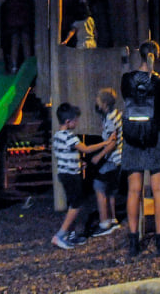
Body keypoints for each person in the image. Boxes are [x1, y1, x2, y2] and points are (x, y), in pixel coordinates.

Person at [120, 40, 160, 257]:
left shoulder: (127, 80)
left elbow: (127, 100)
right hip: (156, 136)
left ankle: (134, 242)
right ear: (156, 56)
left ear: (140, 56)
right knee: (159, 190)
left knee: (134, 191)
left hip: (133, 136)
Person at [51, 102, 114, 249]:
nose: (77, 123)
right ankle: (60, 235)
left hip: (64, 174)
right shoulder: (69, 137)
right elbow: (86, 149)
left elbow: (64, 154)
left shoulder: (57, 136)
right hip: (71, 176)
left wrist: (78, 163)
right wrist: (106, 143)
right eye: (75, 120)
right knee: (76, 205)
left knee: (73, 204)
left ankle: (71, 234)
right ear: (68, 121)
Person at [90, 87, 123, 237]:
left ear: (104, 103)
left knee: (99, 186)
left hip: (113, 159)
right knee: (111, 190)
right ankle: (113, 219)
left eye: (98, 100)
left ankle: (104, 224)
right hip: (119, 159)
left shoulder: (110, 119)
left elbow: (112, 143)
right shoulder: (115, 115)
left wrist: (99, 156)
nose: (96, 102)